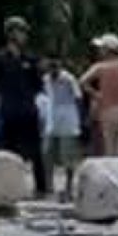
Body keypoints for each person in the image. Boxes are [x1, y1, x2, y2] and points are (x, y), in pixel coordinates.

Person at [0, 17, 47, 195]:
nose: (24, 36)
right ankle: (10, 187)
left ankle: (41, 188)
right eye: (21, 32)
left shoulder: (31, 59)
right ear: (11, 34)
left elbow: (38, 85)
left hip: (28, 109)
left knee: (35, 151)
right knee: (9, 151)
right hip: (9, 109)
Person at [80, 34, 118, 157]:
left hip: (108, 110)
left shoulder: (99, 67)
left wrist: (97, 95)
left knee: (110, 151)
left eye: (101, 48)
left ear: (107, 49)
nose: (100, 51)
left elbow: (82, 81)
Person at [40, 58, 83, 201]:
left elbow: (78, 98)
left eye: (55, 69)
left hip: (68, 120)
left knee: (67, 157)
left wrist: (80, 120)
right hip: (51, 120)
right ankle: (49, 187)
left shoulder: (69, 79)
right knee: (47, 154)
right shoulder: (45, 79)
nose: (53, 72)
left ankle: (68, 188)